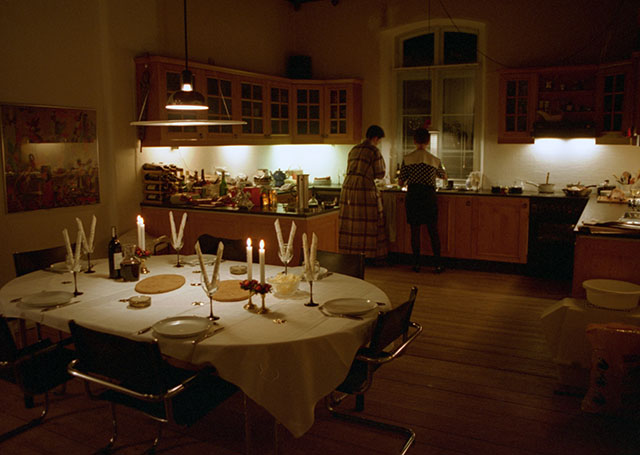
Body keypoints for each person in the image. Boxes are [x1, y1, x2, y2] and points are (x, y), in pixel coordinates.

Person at [398, 127, 447, 273]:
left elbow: (401, 182)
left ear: (414, 141)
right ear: (428, 141)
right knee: (433, 231)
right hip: (428, 196)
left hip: (413, 195)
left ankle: (416, 264)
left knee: (415, 231)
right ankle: (437, 264)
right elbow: (443, 175)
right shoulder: (434, 159)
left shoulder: (407, 159)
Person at [338, 125, 388, 261]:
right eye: (379, 140)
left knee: (351, 222)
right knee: (368, 221)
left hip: (348, 187)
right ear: (376, 138)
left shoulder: (354, 149)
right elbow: (380, 173)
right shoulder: (374, 151)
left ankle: (351, 254)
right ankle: (368, 255)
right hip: (363, 188)